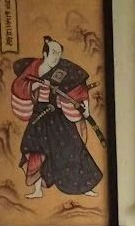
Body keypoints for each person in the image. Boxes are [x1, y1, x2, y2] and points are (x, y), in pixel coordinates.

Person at [10, 36, 102, 198]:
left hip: (59, 116)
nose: (56, 57)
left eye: (59, 54)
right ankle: (37, 190)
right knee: (35, 149)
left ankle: (84, 186)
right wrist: (36, 85)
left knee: (74, 147)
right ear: (45, 54)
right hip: (40, 114)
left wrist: (83, 107)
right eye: (53, 53)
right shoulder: (33, 68)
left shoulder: (64, 69)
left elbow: (78, 88)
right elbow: (19, 85)